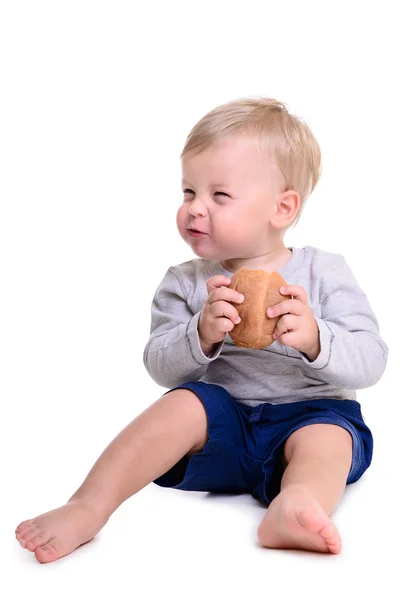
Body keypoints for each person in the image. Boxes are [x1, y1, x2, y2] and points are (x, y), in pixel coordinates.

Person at [15, 97, 388, 563]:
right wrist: (201, 333)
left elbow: (371, 360)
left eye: (219, 195)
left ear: (282, 207)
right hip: (224, 429)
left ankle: (296, 503)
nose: (195, 208)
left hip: (308, 413)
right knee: (184, 402)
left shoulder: (325, 273)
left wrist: (316, 339)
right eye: (189, 192)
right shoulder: (187, 282)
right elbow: (160, 365)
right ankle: (89, 505)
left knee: (329, 436)